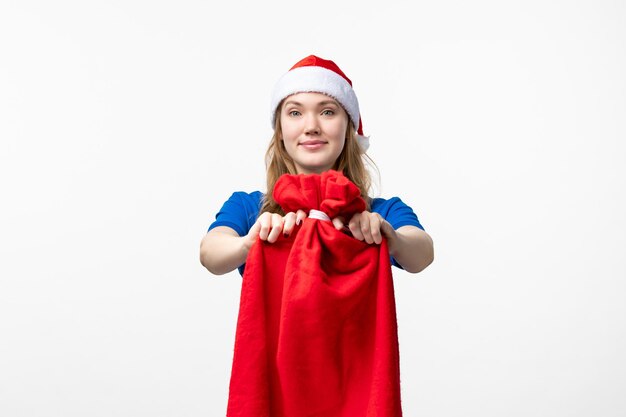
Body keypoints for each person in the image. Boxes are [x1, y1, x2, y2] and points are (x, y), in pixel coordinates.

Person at [200, 55, 433, 276]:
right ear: (280, 131)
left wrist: (389, 236)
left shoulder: (382, 213)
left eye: (327, 111)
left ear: (348, 129)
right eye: (295, 112)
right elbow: (210, 253)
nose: (311, 126)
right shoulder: (248, 207)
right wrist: (248, 242)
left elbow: (422, 254)